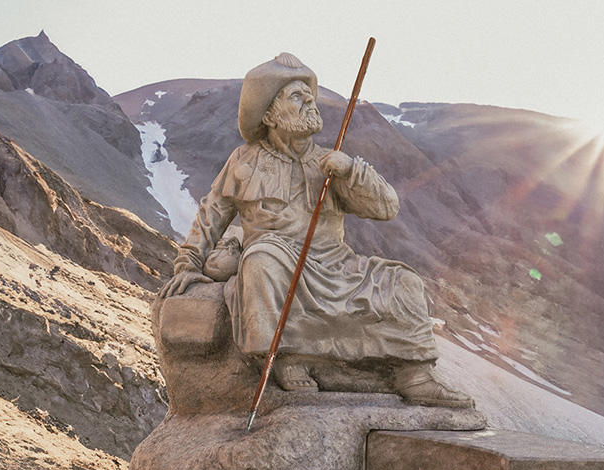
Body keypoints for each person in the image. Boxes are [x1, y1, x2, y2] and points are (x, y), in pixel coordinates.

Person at [158, 52, 472, 409]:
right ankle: (285, 357)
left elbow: (387, 208)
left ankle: (415, 375)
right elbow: (212, 213)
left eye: (310, 97)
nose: (310, 102)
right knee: (261, 259)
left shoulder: (330, 161)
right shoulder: (244, 160)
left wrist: (352, 171)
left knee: (403, 282)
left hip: (334, 264)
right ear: (269, 115)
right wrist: (188, 263)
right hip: (279, 257)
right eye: (296, 97)